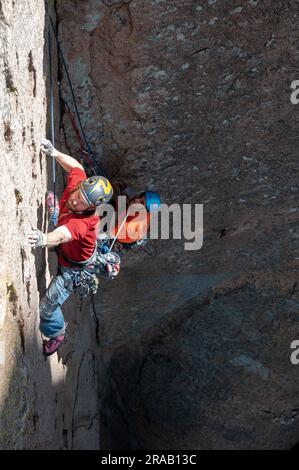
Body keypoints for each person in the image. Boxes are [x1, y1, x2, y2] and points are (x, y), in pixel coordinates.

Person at [27, 139, 115, 356]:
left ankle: (57, 333)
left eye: (84, 203)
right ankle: (57, 214)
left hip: (72, 270)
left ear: (93, 207)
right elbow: (76, 167)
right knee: (62, 213)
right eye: (80, 195)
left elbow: (62, 235)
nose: (77, 201)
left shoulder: (84, 224)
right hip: (68, 248)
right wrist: (55, 152)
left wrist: (43, 239)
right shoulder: (79, 185)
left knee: (47, 308)